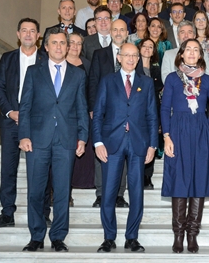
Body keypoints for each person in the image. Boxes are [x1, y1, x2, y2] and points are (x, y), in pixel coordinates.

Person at [19, 27, 89, 252]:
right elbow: (25, 106)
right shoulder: (33, 72)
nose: (59, 47)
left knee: (61, 191)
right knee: (36, 191)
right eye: (55, 43)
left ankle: (58, 236)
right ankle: (36, 236)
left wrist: (82, 137)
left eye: (63, 43)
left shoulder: (78, 74)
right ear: (46, 46)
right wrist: (24, 135)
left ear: (68, 47)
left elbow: (81, 107)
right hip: (38, 139)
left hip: (66, 140)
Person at [93, 43, 158, 253]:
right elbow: (98, 114)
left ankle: (132, 237)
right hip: (111, 143)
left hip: (138, 143)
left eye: (134, 56)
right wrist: (98, 142)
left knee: (136, 192)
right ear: (118, 58)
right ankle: (109, 238)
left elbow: (152, 116)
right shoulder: (107, 81)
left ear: (138, 59)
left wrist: (152, 145)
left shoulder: (146, 83)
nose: (130, 59)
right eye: (126, 55)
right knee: (109, 192)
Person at [0, 18, 48, 229]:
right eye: (24, 30)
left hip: (38, 124)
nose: (28, 34)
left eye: (32, 31)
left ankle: (41, 213)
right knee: (8, 169)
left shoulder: (46, 59)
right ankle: (7, 213)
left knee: (40, 170)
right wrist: (10, 111)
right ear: (18, 34)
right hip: (11, 123)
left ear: (39, 35)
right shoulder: (7, 58)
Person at [161, 39, 209, 253]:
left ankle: (192, 235)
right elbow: (165, 108)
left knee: (199, 183)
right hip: (177, 133)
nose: (192, 52)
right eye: (189, 49)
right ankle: (178, 234)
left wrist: (206, 124)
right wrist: (167, 136)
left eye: (196, 49)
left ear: (200, 54)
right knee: (179, 182)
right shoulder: (172, 79)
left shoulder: (207, 80)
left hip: (200, 136)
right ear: (181, 54)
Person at [88, 19, 131, 208]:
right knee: (101, 152)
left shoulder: (132, 54)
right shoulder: (99, 54)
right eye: (116, 29)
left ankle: (120, 194)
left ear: (127, 32)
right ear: (110, 32)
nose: (119, 33)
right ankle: (101, 193)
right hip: (104, 113)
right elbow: (93, 82)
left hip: (126, 115)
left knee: (123, 153)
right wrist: (92, 108)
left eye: (122, 30)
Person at [66, 33, 93, 197]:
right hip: (64, 114)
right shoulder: (58, 63)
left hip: (83, 111)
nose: (75, 46)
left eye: (78, 43)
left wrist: (91, 108)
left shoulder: (87, 64)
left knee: (82, 147)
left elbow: (91, 87)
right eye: (72, 43)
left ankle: (82, 182)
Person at [137, 38, 164, 188]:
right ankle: (137, 175)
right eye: (144, 46)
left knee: (151, 143)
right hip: (136, 112)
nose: (147, 49)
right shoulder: (134, 67)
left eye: (151, 47)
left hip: (153, 110)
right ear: (139, 48)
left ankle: (147, 176)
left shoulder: (156, 70)